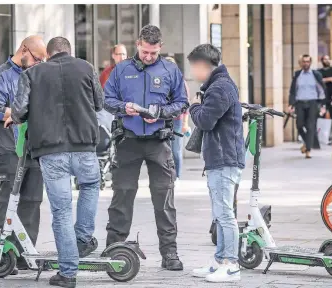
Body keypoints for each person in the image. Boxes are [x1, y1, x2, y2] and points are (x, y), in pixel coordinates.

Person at [8, 36, 104, 288]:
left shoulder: (32, 74)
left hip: (51, 152)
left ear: (48, 55)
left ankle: (68, 274)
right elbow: (99, 103)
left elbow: (18, 113)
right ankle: (82, 238)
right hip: (84, 148)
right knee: (91, 186)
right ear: (70, 52)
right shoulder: (87, 68)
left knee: (61, 212)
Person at [104, 24, 188, 271]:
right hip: (128, 141)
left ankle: (170, 254)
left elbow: (182, 102)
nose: (149, 56)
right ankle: (113, 249)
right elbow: (107, 100)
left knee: (164, 200)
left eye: (153, 52)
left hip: (158, 142)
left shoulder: (170, 70)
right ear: (138, 44)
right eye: (145, 52)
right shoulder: (120, 70)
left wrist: (162, 112)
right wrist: (123, 108)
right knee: (122, 197)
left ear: (160, 47)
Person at [0, 35, 47, 275]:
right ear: (24, 50)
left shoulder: (37, 76)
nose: (38, 64)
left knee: (32, 202)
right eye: (37, 59)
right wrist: (20, 112)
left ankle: (25, 256)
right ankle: (3, 256)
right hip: (6, 149)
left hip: (32, 149)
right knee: (5, 203)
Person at [187, 44, 244, 282]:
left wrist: (194, 106)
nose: (192, 73)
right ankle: (220, 260)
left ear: (203, 65)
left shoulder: (220, 88)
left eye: (193, 67)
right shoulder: (219, 85)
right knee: (220, 214)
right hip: (220, 159)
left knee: (225, 214)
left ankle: (231, 265)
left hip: (224, 159)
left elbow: (206, 121)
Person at [288, 54, 326, 159]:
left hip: (312, 103)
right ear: (301, 63)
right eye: (304, 61)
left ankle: (308, 149)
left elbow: (322, 90)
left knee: (310, 126)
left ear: (310, 62)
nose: (306, 63)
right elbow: (292, 91)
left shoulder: (316, 75)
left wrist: (323, 105)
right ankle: (307, 143)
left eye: (308, 61)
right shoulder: (297, 75)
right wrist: (291, 104)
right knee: (299, 125)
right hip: (300, 103)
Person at [165, 56, 190, 182]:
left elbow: (186, 105)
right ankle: (168, 175)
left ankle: (177, 176)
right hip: (163, 120)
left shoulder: (181, 82)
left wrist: (185, 123)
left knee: (176, 149)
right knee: (165, 149)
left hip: (177, 120)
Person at [98, 44, 128, 131]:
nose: (122, 57)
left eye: (124, 54)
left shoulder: (133, 71)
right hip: (111, 113)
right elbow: (102, 94)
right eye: (119, 54)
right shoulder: (106, 73)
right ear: (113, 55)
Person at [318, 55, 332, 143]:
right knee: (322, 115)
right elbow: (319, 80)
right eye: (325, 59)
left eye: (328, 59)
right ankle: (323, 136)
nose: (326, 60)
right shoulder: (319, 71)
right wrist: (329, 79)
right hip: (322, 96)